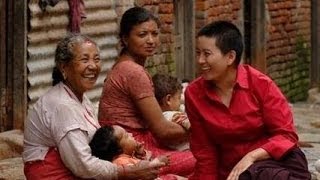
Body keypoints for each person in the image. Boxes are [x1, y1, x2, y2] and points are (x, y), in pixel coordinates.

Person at [23, 34, 165, 180]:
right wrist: (126, 172)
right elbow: (83, 166)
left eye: (96, 59)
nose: (93, 66)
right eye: (85, 60)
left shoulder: (80, 98)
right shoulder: (63, 106)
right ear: (64, 67)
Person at [185, 20, 311, 180]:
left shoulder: (261, 84)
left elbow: (286, 135)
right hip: (234, 172)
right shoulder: (194, 94)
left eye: (206, 54)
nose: (200, 60)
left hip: (274, 162)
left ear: (230, 57)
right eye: (198, 53)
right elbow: (204, 150)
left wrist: (252, 157)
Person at [98, 6, 195, 177]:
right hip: (134, 151)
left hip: (133, 145)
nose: (151, 40)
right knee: (204, 158)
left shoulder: (124, 66)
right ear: (125, 39)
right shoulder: (132, 71)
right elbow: (163, 131)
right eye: (142, 35)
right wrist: (204, 128)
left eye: (155, 34)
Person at [152, 73, 190, 151]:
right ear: (168, 99)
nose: (180, 102)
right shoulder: (169, 115)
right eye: (179, 98)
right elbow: (190, 122)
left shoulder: (156, 117)